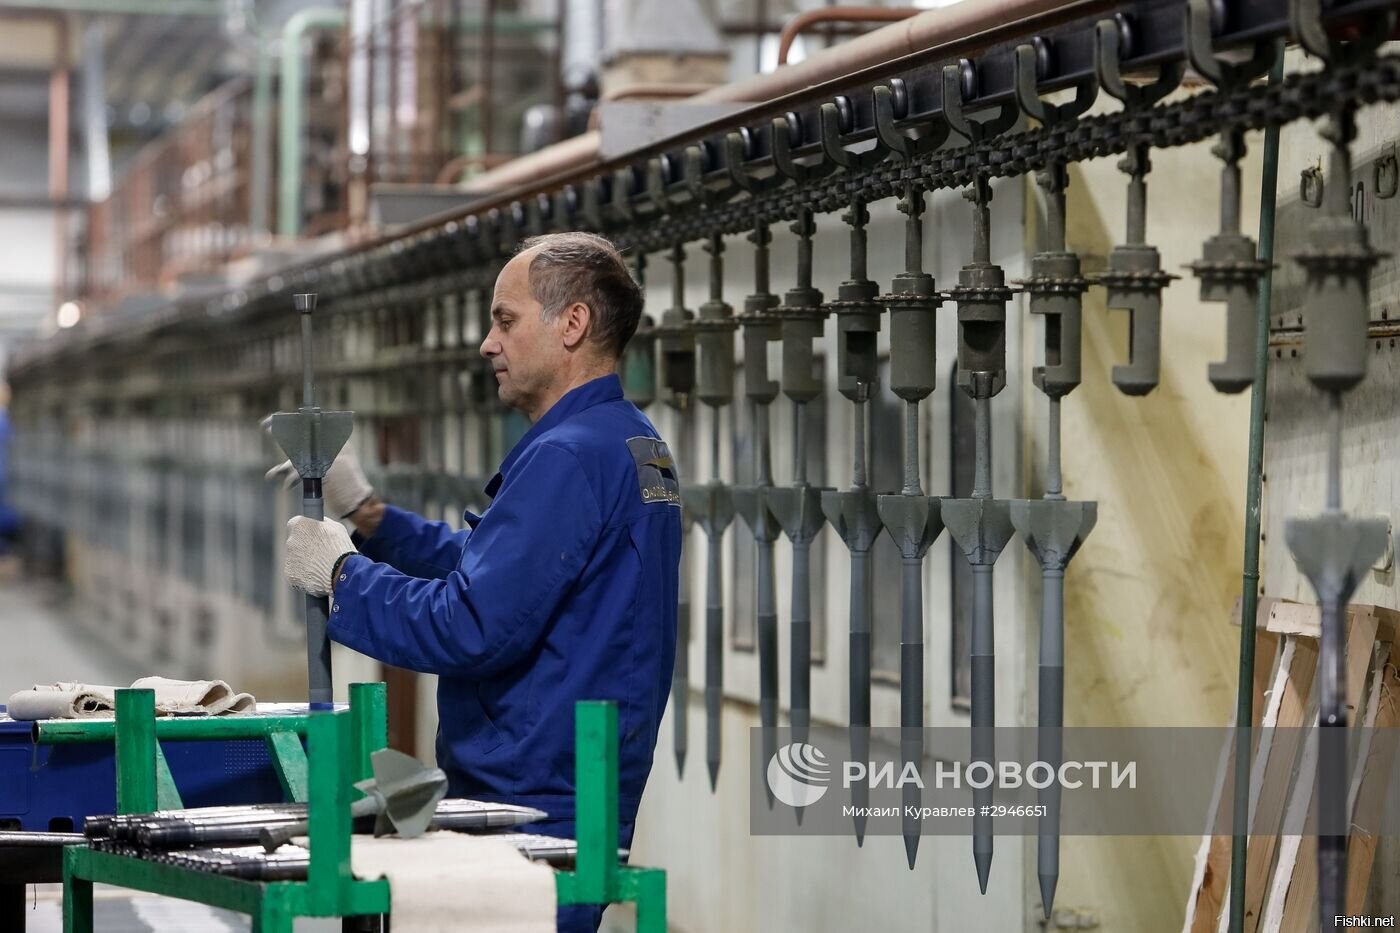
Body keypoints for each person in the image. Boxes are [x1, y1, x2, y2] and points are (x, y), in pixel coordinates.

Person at [278, 232, 681, 933]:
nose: (487, 344)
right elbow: (499, 567)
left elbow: (471, 622)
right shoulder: (626, 439)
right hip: (569, 797)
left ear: (573, 324)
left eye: (506, 319)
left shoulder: (568, 456)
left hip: (530, 808)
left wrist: (342, 577)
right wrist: (371, 518)